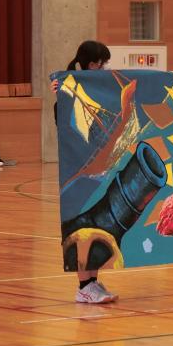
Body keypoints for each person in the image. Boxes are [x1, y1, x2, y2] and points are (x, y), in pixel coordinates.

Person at [51, 40, 117, 304]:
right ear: (92, 65)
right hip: (78, 174)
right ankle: (83, 286)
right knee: (83, 229)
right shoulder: (67, 97)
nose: (105, 69)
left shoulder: (95, 95)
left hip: (95, 175)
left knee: (97, 226)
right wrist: (62, 94)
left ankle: (92, 281)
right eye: (102, 64)